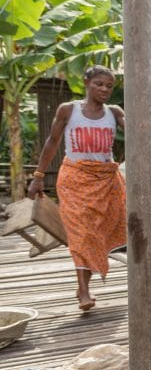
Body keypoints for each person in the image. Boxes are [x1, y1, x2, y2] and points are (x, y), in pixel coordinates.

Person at [27, 65, 126, 311]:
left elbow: (138, 133)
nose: (104, 89)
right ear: (86, 83)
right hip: (74, 178)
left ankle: (84, 282)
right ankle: (83, 289)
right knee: (82, 233)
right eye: (99, 84)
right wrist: (38, 176)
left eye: (109, 86)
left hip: (105, 180)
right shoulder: (68, 110)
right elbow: (52, 141)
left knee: (95, 234)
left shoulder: (114, 113)